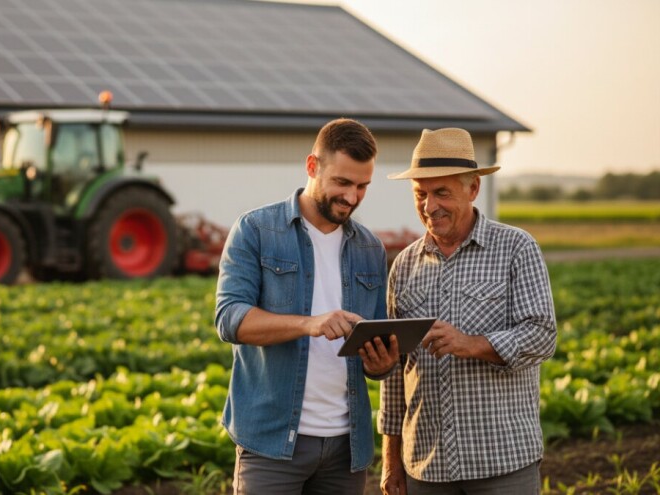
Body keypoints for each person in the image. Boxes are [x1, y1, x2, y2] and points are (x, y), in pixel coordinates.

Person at [215, 118, 399, 494]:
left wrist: (381, 365)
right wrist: (308, 324)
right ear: (312, 166)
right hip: (272, 443)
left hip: (347, 448)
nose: (352, 197)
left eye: (362, 186)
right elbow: (230, 319)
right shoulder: (256, 230)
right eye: (342, 182)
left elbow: (375, 346)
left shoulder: (370, 249)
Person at [378, 128, 557, 495]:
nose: (429, 206)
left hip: (502, 463)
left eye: (442, 192)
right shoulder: (404, 266)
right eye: (420, 194)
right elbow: (397, 375)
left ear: (473, 188)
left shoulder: (516, 248)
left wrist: (471, 344)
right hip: (426, 467)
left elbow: (542, 335)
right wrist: (391, 460)